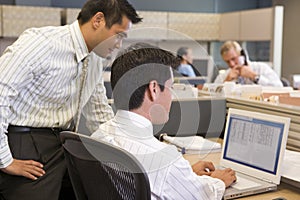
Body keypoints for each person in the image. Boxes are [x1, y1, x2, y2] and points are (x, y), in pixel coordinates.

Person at [0, 0, 142, 199]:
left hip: (64, 144)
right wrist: (4, 160)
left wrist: (128, 153)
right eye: (119, 35)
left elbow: (99, 113)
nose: (119, 44)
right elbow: (1, 93)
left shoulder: (95, 59)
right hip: (25, 143)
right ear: (98, 20)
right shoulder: (41, 43)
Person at [91, 43, 236, 199]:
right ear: (153, 89)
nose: (171, 96)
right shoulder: (164, 159)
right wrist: (218, 181)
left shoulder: (99, 135)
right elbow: (201, 195)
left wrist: (184, 176)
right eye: (170, 87)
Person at [214, 41, 283, 87]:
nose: (231, 64)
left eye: (233, 59)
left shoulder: (261, 68)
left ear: (241, 55)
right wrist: (227, 81)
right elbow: (213, 95)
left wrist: (254, 76)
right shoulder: (225, 75)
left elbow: (279, 87)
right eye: (227, 61)